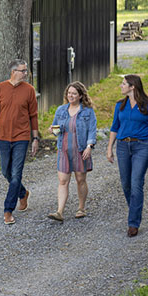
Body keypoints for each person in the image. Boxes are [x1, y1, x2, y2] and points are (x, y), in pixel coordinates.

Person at [0, 59, 40, 225]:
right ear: (13, 72)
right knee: (5, 171)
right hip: (3, 137)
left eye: (26, 70)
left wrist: (35, 138)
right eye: (23, 71)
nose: (26, 73)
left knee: (16, 174)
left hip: (21, 138)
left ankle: (8, 210)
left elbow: (33, 116)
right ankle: (22, 193)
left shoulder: (29, 90)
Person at [106, 74, 148, 237]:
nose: (121, 86)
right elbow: (114, 127)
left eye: (123, 84)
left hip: (142, 146)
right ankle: (135, 210)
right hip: (123, 146)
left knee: (136, 183)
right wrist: (109, 148)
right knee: (126, 184)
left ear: (132, 87)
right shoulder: (120, 105)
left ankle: (133, 223)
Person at [46, 82, 97, 223]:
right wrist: (53, 130)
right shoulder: (61, 110)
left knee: (80, 179)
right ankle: (59, 212)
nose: (71, 96)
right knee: (63, 180)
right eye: (69, 93)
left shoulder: (87, 111)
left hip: (80, 150)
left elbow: (92, 130)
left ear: (80, 95)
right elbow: (57, 129)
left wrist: (89, 146)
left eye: (74, 93)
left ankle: (81, 208)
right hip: (64, 150)